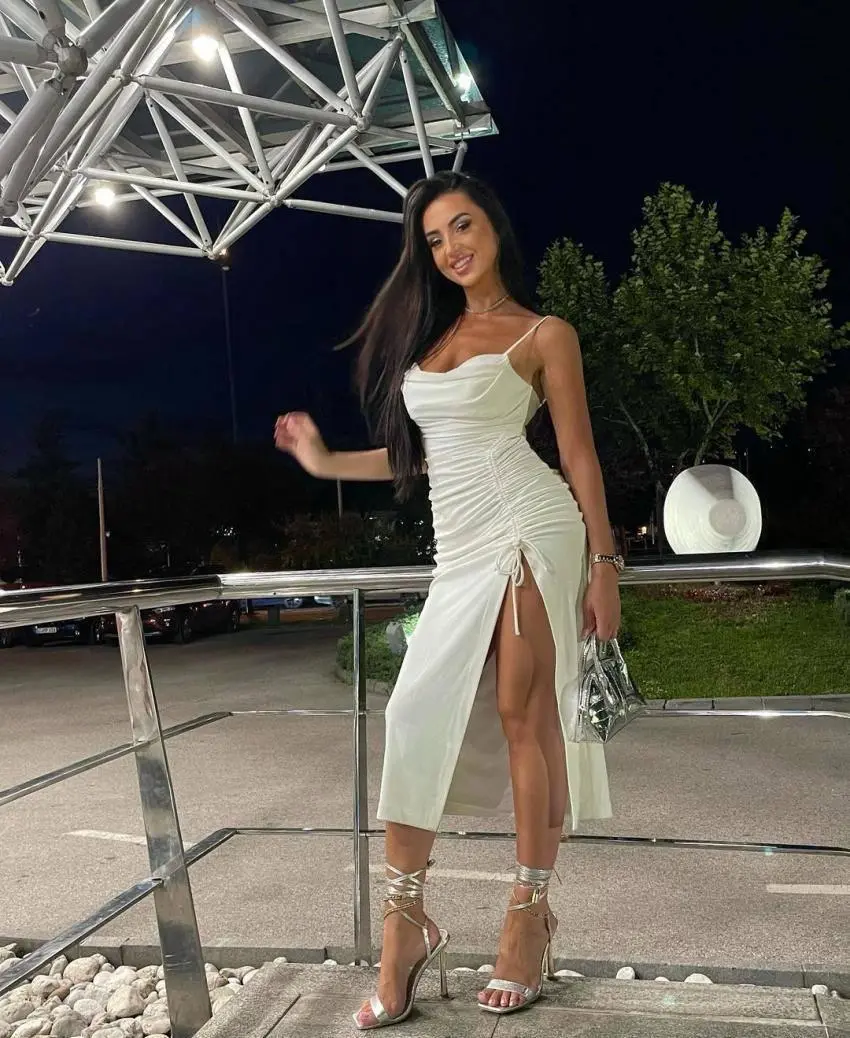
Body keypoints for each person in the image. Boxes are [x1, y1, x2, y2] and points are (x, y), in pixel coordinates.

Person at [274, 170, 621, 1028]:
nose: (451, 247)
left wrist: (605, 565)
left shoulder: (544, 334)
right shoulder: (433, 338)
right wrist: (322, 463)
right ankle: (406, 924)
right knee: (412, 714)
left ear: (494, 227)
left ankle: (527, 918)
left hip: (528, 527)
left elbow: (577, 453)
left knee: (523, 715)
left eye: (462, 226)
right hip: (459, 546)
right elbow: (421, 456)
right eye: (434, 239)